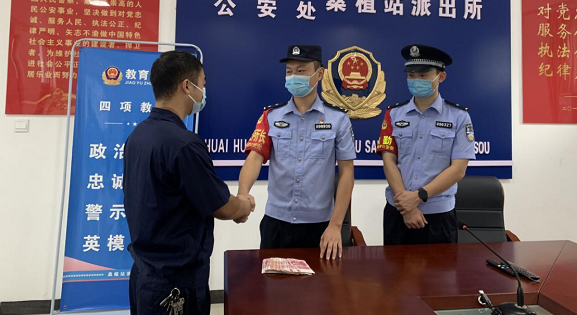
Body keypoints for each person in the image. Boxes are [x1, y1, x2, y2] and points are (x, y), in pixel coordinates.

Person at [123, 50, 252, 315]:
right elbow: (221, 206)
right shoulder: (184, 144)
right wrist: (244, 205)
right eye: (202, 84)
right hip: (174, 284)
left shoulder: (138, 135)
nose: (203, 91)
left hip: (145, 274)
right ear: (187, 86)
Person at [237, 45, 356, 260]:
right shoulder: (271, 116)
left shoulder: (338, 119)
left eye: (301, 71)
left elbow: (347, 172)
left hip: (320, 225)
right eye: (289, 72)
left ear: (319, 74)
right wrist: (243, 193)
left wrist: (336, 225)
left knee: (321, 281)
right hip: (276, 222)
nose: (294, 77)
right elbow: (254, 158)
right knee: (271, 280)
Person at [376, 44, 475, 245]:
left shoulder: (459, 116)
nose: (416, 80)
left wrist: (419, 197)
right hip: (398, 212)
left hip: (439, 215)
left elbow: (458, 169)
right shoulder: (393, 114)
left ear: (441, 77)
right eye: (411, 75)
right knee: (394, 267)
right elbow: (389, 161)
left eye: (423, 75)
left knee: (441, 267)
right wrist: (407, 206)